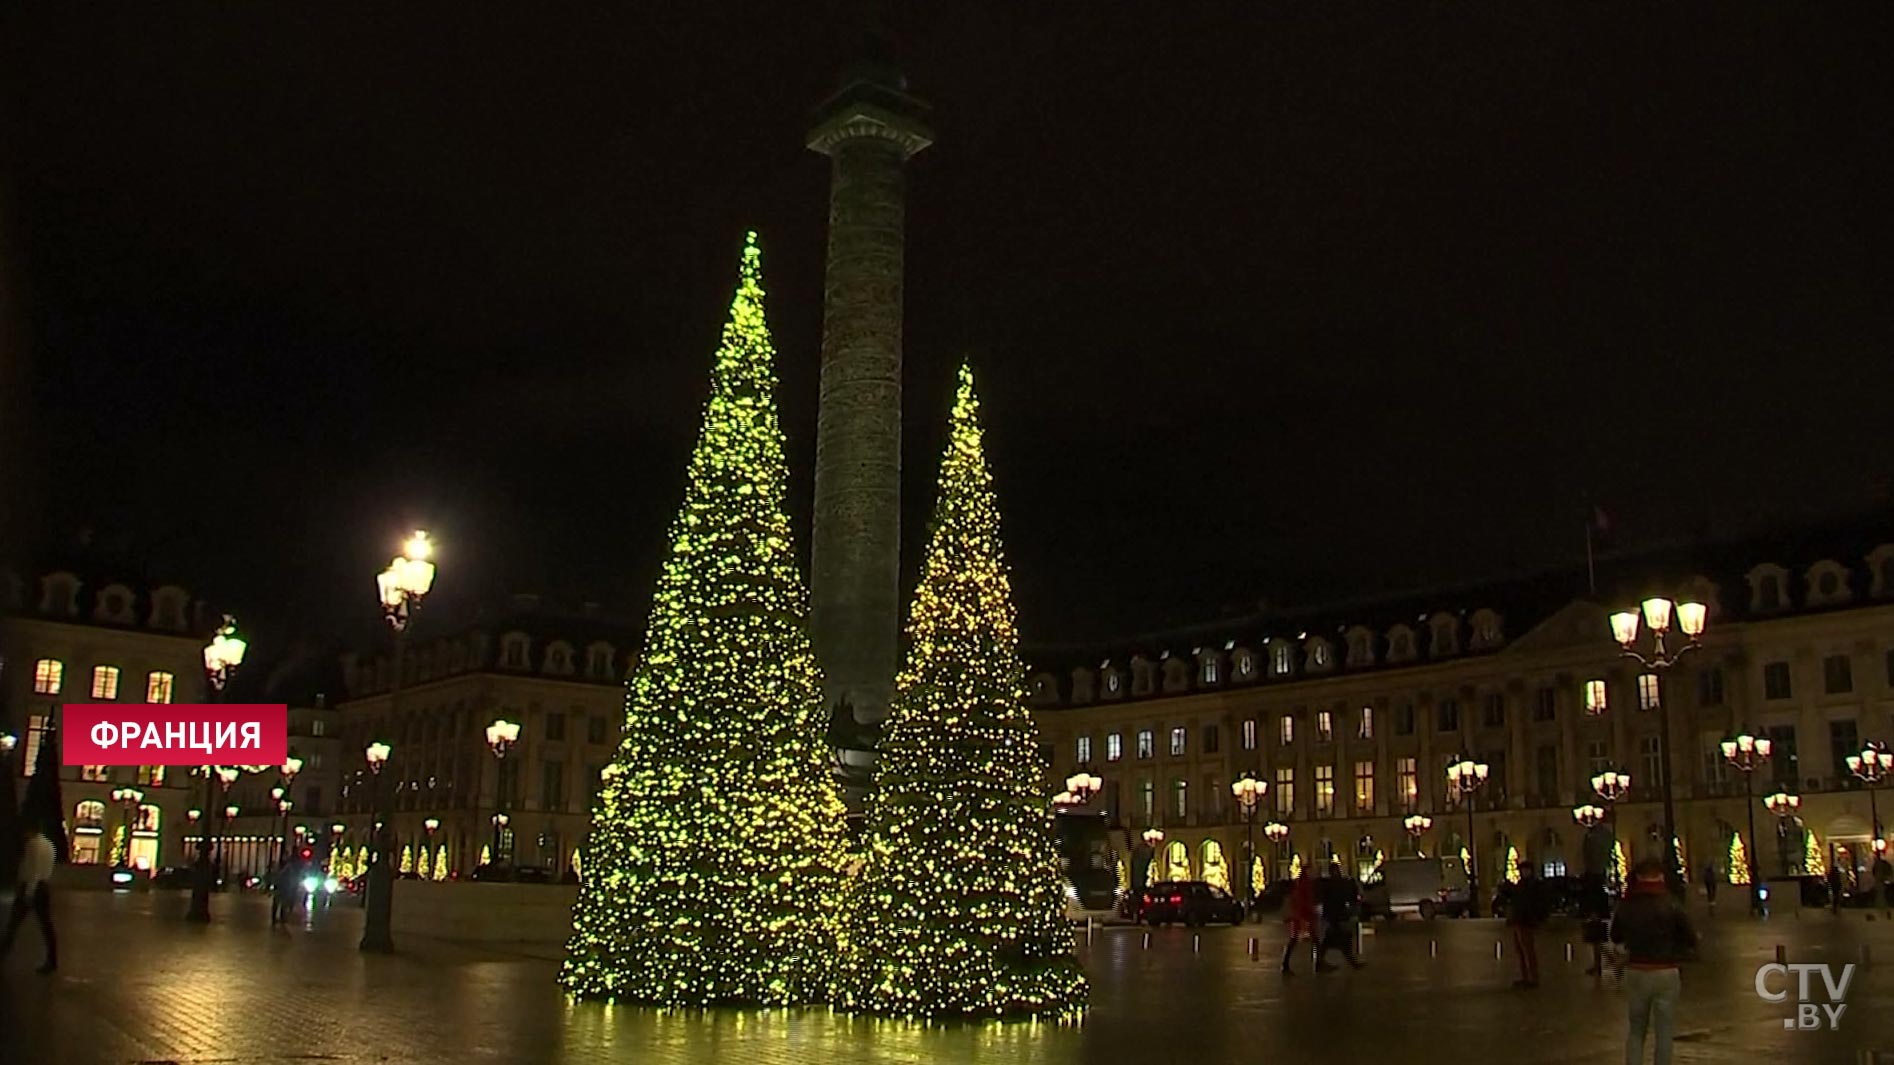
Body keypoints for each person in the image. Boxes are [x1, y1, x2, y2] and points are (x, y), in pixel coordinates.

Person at [1613, 858, 1697, 1065]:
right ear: (1660, 876)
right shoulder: (1671, 902)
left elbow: (1616, 936)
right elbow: (1689, 936)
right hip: (1665, 970)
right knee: (1664, 1031)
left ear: (1638, 877)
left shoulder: (1627, 904)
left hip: (1636, 969)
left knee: (1636, 1029)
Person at [2, 757, 68, 974]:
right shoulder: (49, 845)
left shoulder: (33, 846)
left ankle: (3, 954)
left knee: (14, 924)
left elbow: (32, 869)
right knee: (46, 927)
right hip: (43, 887)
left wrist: (27, 891)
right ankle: (53, 959)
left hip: (31, 887)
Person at [1315, 860, 1365, 972]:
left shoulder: (1332, 883)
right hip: (1335, 916)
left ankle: (1321, 963)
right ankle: (1351, 962)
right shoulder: (1332, 884)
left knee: (1338, 940)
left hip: (1336, 915)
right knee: (1338, 940)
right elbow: (1334, 899)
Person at [1507, 863, 1549, 988]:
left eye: (1525, 870)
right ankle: (1525, 976)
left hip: (1527, 920)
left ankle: (1532, 978)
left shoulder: (1533, 885)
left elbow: (1536, 903)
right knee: (1520, 950)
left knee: (1528, 950)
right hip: (1519, 920)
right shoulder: (1521, 885)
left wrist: (1536, 917)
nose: (1523, 872)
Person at [1280, 867, 1317, 975]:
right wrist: (1305, 916)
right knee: (1295, 940)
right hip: (1301, 918)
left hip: (1302, 917)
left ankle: (1285, 964)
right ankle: (1285, 964)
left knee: (1296, 940)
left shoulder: (1302, 885)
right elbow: (1302, 903)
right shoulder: (1304, 886)